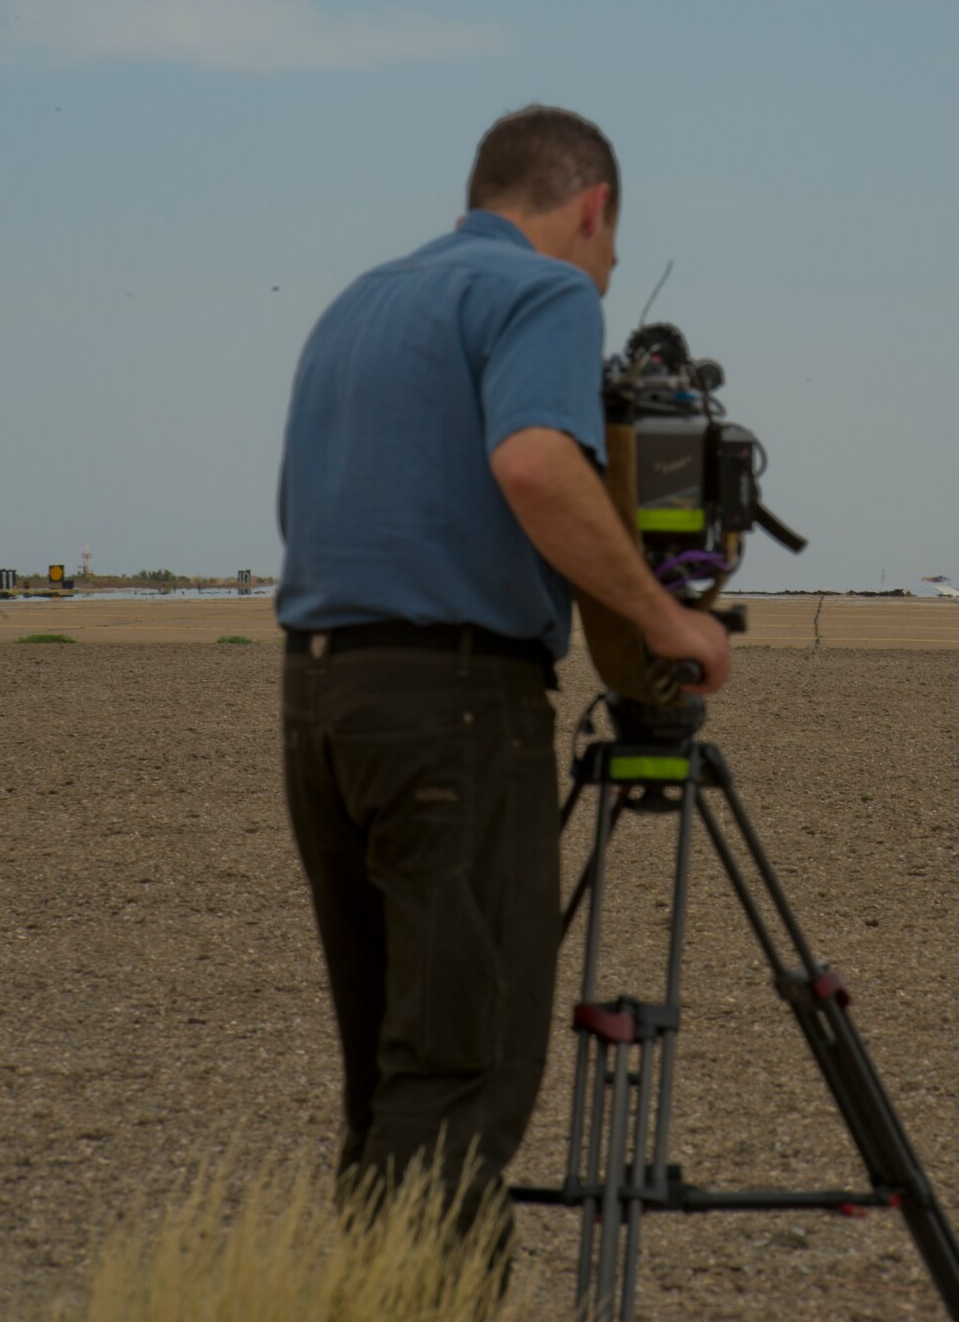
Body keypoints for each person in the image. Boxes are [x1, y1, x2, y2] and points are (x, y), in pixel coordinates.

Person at [276, 104, 730, 1243]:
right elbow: (534, 462)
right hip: (454, 706)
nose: (605, 274)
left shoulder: (357, 303)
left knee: (394, 1068)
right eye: (611, 251)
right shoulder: (545, 294)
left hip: (324, 700)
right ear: (592, 207)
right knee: (460, 1068)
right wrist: (663, 618)